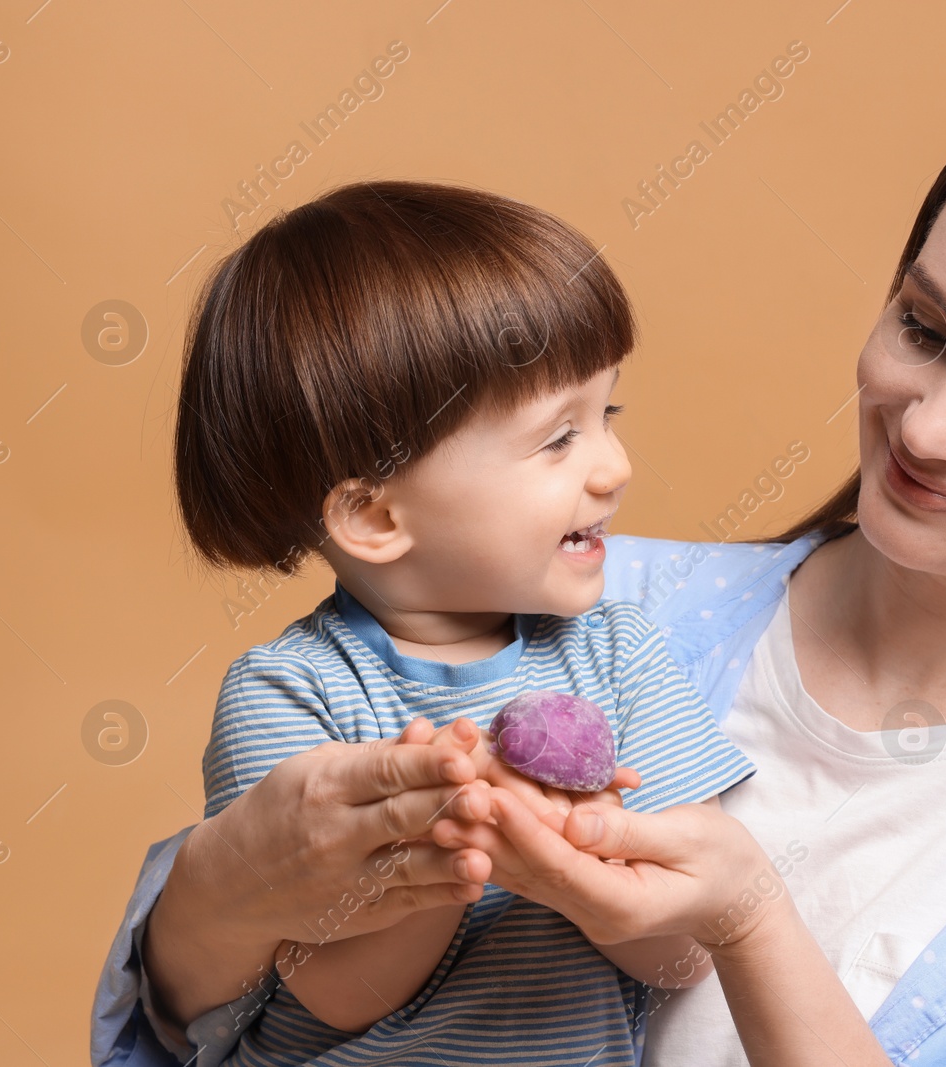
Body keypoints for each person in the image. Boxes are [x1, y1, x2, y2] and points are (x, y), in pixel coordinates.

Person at [92, 91, 946, 1067]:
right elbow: (189, 1031)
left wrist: (749, 920)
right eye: (924, 330)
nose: (930, 426)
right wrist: (223, 888)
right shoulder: (569, 604)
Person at [149, 178, 761, 1066]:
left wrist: (574, 851)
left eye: (608, 414)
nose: (613, 467)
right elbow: (334, 990)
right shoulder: (290, 690)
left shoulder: (622, 655)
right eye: (559, 437)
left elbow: (682, 952)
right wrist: (453, 841)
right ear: (376, 517)